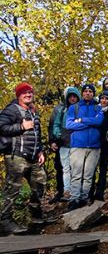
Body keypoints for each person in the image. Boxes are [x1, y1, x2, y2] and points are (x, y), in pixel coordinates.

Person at [0, 82, 45, 227]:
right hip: (16, 155)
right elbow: (1, 127)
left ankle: (35, 216)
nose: (28, 95)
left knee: (39, 183)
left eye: (30, 92)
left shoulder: (33, 111)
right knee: (13, 188)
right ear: (19, 95)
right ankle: (5, 221)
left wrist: (40, 151)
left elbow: (37, 133)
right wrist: (20, 127)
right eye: (24, 93)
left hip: (33, 156)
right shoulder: (11, 110)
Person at [64, 83, 104, 209]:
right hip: (78, 145)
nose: (88, 93)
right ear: (82, 93)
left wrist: (81, 120)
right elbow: (69, 125)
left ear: (93, 93)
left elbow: (99, 121)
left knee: (88, 175)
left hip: (94, 146)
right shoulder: (74, 108)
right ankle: (74, 199)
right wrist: (90, 122)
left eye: (90, 91)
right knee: (76, 174)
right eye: (85, 91)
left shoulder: (98, 108)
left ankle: (84, 198)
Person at [48, 86, 80, 201]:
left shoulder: (81, 109)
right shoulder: (61, 109)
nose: (72, 98)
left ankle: (77, 192)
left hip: (77, 144)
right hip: (63, 143)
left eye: (74, 96)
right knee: (64, 169)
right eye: (70, 96)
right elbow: (53, 125)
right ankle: (66, 191)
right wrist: (56, 137)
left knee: (77, 169)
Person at [92, 89, 108, 202]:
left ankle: (99, 193)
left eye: (106, 99)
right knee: (92, 168)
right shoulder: (94, 110)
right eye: (102, 98)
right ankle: (90, 192)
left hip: (106, 143)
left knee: (103, 168)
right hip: (94, 142)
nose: (104, 101)